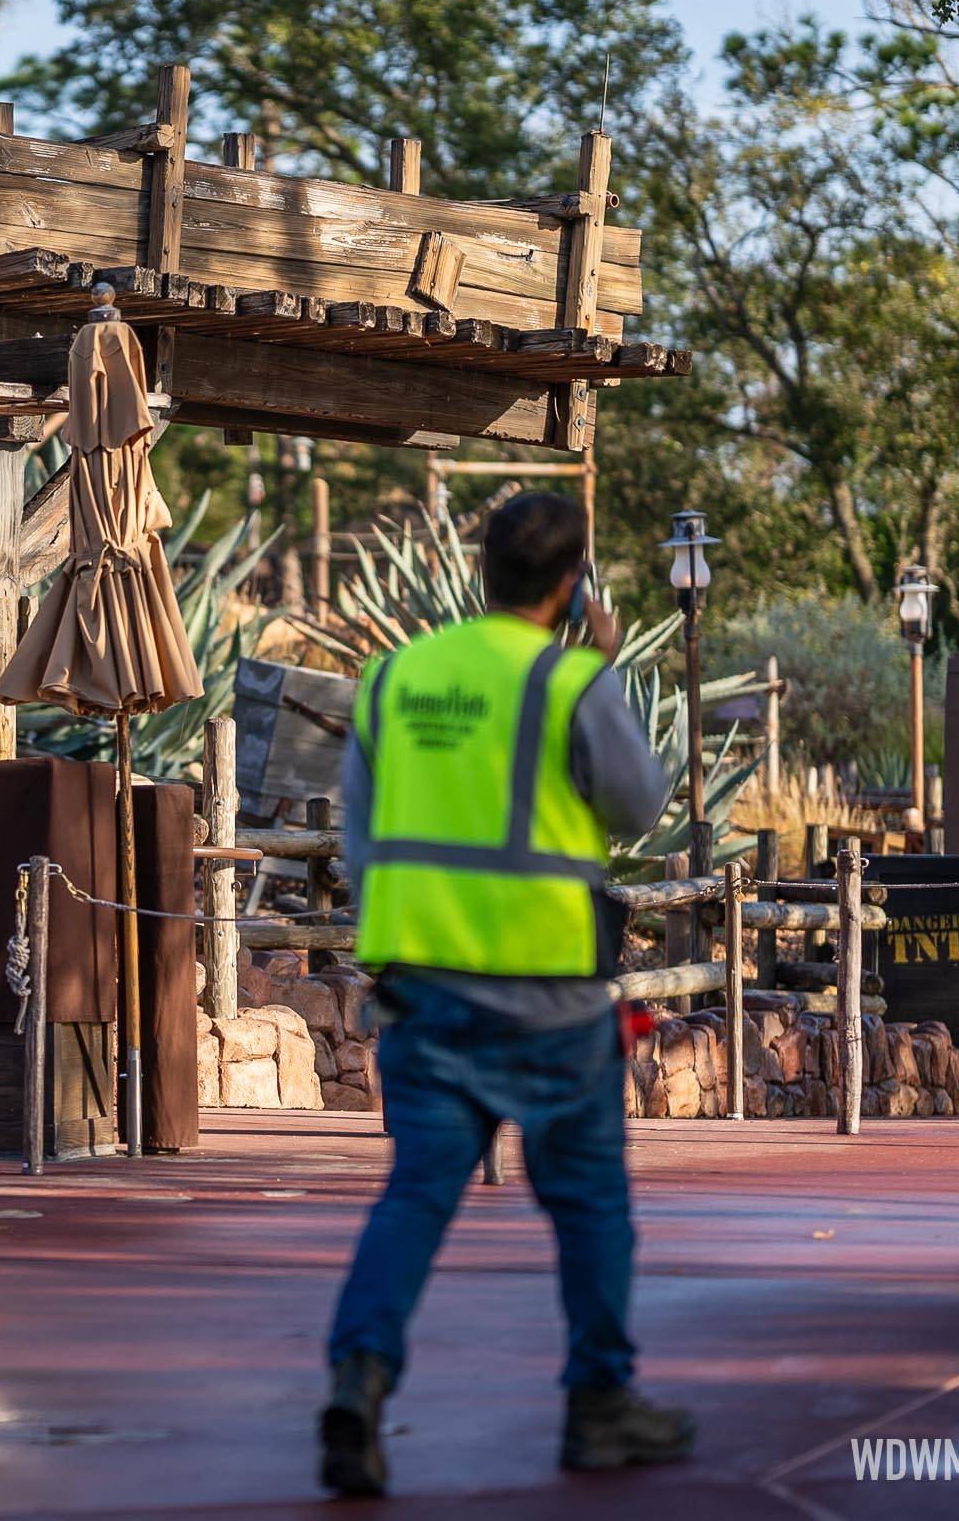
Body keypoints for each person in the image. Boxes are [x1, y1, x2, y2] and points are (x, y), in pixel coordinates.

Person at [318, 491, 697, 1497]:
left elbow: (360, 843)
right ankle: (599, 1405)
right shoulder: (570, 681)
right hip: (552, 1003)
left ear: (481, 570)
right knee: (588, 1205)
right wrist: (600, 670)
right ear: (570, 588)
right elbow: (639, 803)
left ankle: (357, 1380)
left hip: (425, 996)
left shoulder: (394, 680)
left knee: (416, 1195)